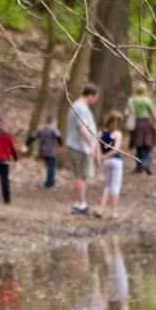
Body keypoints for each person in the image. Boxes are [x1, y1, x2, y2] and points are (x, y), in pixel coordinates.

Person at [65, 84, 101, 215]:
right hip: (80, 147)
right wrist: (91, 144)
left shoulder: (77, 105)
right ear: (90, 95)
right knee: (81, 177)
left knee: (78, 176)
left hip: (76, 146)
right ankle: (82, 204)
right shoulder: (81, 108)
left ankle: (76, 204)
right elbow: (82, 128)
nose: (96, 100)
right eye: (96, 97)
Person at [94, 111, 124, 220]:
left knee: (107, 186)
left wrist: (100, 160)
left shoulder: (101, 132)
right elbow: (116, 149)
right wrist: (106, 156)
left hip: (105, 162)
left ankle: (101, 209)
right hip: (115, 161)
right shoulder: (117, 134)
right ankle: (114, 212)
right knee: (115, 186)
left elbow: (97, 148)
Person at [126, 84, 156, 174]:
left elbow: (129, 111)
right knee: (147, 144)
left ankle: (138, 167)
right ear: (145, 90)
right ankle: (146, 163)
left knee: (138, 146)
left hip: (137, 124)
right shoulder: (148, 100)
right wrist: (155, 123)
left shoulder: (133, 100)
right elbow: (152, 113)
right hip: (147, 123)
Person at [26, 115, 62, 188]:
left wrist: (27, 144)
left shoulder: (41, 129)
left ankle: (45, 181)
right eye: (55, 122)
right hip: (50, 152)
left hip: (41, 151)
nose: (56, 123)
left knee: (45, 166)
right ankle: (49, 184)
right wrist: (60, 146)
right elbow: (58, 137)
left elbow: (32, 137)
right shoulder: (53, 130)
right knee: (51, 167)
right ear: (52, 122)